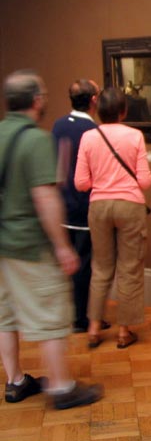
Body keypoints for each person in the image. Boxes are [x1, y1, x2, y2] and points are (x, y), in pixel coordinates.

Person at [0, 70, 103, 409]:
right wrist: (61, 246)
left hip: (2, 244)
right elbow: (45, 197)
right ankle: (61, 387)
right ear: (36, 100)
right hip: (28, 245)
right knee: (51, 314)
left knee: (5, 316)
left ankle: (15, 381)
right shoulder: (35, 140)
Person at [75, 88, 151, 350]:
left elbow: (81, 182)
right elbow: (145, 181)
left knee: (100, 267)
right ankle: (123, 331)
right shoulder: (134, 136)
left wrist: (102, 180)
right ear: (123, 111)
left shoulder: (88, 137)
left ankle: (94, 328)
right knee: (130, 268)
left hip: (98, 206)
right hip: (130, 206)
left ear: (98, 110)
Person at [52, 79, 110, 333]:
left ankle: (70, 313)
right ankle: (82, 318)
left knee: (68, 262)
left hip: (61, 204)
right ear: (94, 100)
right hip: (84, 205)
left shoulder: (58, 125)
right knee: (85, 263)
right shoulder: (93, 131)